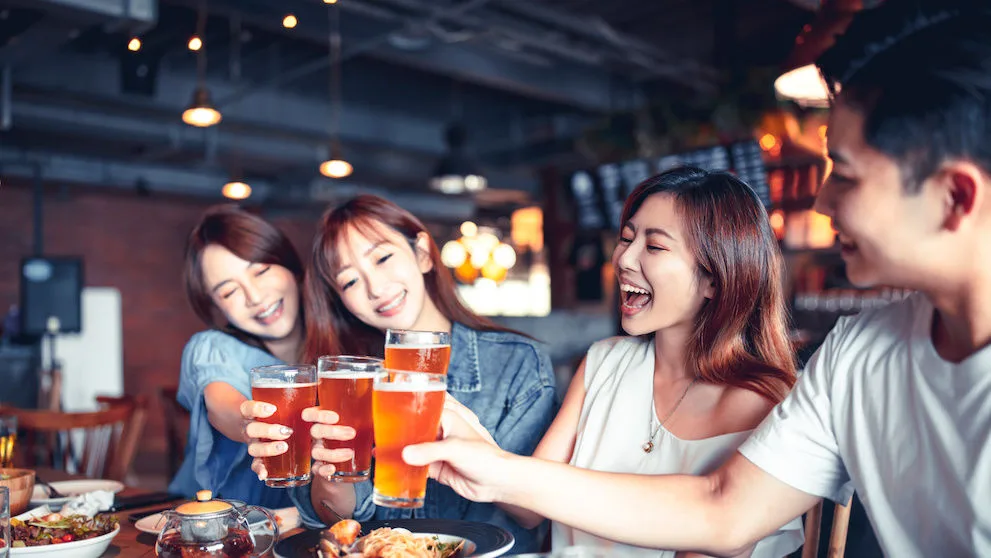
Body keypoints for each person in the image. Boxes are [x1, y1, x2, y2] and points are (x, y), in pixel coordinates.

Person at [401, 1, 991, 556]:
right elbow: (723, 507)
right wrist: (489, 462)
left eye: (848, 176)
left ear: (954, 197)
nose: (820, 203)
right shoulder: (861, 350)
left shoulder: (789, 379)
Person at [421, 167, 804, 557]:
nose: (623, 258)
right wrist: (472, 439)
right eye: (626, 238)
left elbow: (717, 532)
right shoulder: (605, 362)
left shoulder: (760, 401)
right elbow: (527, 508)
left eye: (654, 247)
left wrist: (501, 470)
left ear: (715, 279)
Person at [241, 195, 558, 553]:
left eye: (383, 258)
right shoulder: (346, 381)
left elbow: (533, 514)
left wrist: (475, 454)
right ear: (340, 301)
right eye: (350, 282)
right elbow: (336, 521)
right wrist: (331, 471)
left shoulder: (517, 361)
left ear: (422, 253)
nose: (375, 289)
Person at [169, 205, 306, 509]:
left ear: (290, 266)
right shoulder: (212, 346)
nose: (255, 298)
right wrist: (250, 425)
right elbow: (221, 404)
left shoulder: (338, 355)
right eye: (229, 292)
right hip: (218, 525)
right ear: (217, 307)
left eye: (260, 271)